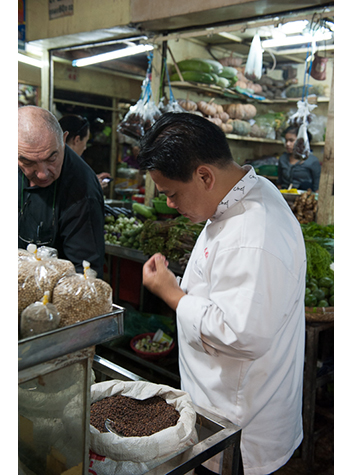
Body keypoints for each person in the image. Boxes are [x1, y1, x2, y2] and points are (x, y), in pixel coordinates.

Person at [138, 112, 306, 475]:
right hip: (223, 408)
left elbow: (242, 333)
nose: (169, 204)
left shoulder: (252, 234)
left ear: (204, 176)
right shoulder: (240, 199)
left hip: (241, 428)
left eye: (171, 193)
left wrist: (174, 295)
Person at [18, 105, 105, 277]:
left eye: (52, 158)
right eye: (29, 163)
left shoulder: (82, 191)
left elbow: (85, 272)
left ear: (64, 140)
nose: (42, 174)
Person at [59, 114, 112, 189]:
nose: (85, 147)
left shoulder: (54, 159)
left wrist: (93, 180)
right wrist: (92, 187)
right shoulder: (65, 164)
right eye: (85, 142)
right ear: (77, 140)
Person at [277, 125, 321, 191]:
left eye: (291, 141)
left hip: (303, 197)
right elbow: (279, 183)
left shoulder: (312, 161)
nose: (288, 144)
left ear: (301, 141)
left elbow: (317, 187)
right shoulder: (283, 159)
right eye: (286, 141)